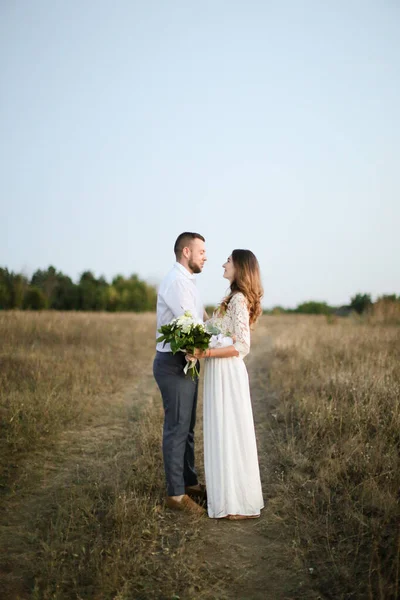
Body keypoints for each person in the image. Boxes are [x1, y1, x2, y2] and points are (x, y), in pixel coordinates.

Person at [189, 249, 264, 520]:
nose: (223, 264)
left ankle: (238, 503)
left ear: (240, 268)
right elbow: (222, 332)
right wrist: (200, 325)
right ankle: (226, 495)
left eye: (228, 261)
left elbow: (242, 345)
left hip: (228, 374)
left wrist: (205, 353)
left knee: (230, 431)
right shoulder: (231, 299)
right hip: (218, 373)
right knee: (221, 430)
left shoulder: (239, 299)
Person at [153, 232, 208, 515]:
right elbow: (192, 328)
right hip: (174, 364)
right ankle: (175, 495)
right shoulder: (176, 283)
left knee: (187, 429)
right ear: (186, 252)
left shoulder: (188, 282)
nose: (205, 256)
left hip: (186, 362)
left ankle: (188, 483)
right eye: (201, 251)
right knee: (176, 429)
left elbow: (200, 320)